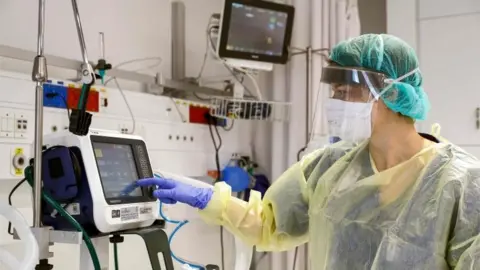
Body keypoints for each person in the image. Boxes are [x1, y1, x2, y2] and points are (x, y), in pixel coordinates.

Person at [136, 34, 480, 269]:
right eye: (335, 92)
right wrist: (206, 198)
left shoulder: (460, 184)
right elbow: (270, 225)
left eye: (347, 93)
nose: (336, 104)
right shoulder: (329, 168)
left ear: (390, 93)